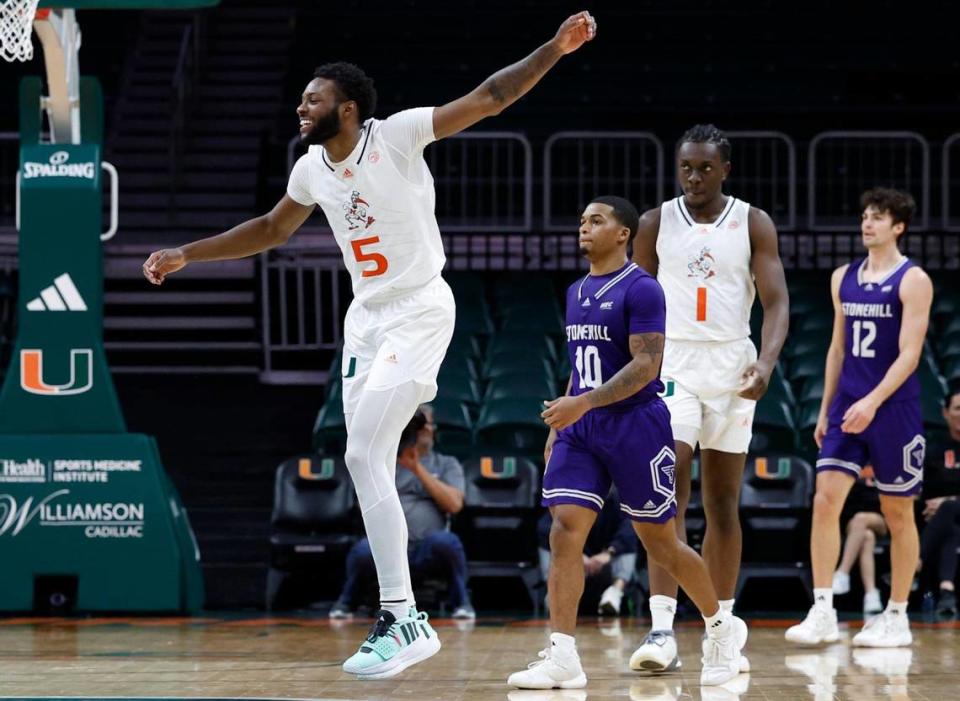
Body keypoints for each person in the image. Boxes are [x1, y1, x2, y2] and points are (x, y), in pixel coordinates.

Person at [140, 10, 596, 678]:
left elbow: (492, 96)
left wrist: (553, 49)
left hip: (418, 310)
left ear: (348, 108)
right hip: (367, 319)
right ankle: (402, 615)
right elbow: (271, 227)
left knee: (362, 449)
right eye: (302, 97)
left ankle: (402, 615)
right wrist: (187, 253)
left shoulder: (397, 134)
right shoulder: (310, 168)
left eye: (314, 97)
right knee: (364, 460)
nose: (301, 104)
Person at [507, 196, 748, 690]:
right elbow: (582, 366)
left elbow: (646, 367)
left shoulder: (643, 289)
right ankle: (563, 656)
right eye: (581, 219)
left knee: (660, 543)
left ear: (623, 234)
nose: (583, 227)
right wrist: (562, 422)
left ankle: (719, 629)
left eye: (595, 220)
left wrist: (584, 403)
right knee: (563, 531)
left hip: (636, 424)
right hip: (584, 427)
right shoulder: (576, 290)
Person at [629, 125, 789, 672]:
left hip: (732, 364)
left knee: (722, 504)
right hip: (673, 364)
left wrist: (765, 363)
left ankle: (720, 626)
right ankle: (659, 629)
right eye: (685, 168)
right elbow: (634, 301)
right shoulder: (654, 223)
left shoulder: (753, 222)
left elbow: (776, 302)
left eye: (704, 168)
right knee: (668, 492)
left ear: (725, 169)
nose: (694, 177)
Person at [785, 188, 933, 647]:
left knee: (897, 512)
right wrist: (828, 407)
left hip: (894, 409)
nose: (868, 223)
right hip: (848, 406)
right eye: (865, 216)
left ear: (899, 227)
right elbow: (836, 348)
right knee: (825, 499)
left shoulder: (914, 280)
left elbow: (910, 354)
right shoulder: (842, 277)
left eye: (878, 218)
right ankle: (824, 607)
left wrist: (873, 400)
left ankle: (897, 614)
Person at [330, 406, 475, 620]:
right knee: (362, 550)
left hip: (427, 546)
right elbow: (365, 505)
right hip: (388, 545)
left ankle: (462, 604)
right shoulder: (382, 462)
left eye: (426, 425)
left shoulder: (446, 463)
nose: (422, 430)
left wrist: (417, 468)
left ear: (433, 429)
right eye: (416, 425)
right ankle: (345, 603)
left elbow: (454, 505)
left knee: (448, 543)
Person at [537, 487, 639, 616]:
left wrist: (609, 552)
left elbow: (629, 530)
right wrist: (576, 553)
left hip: (608, 560)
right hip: (574, 558)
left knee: (629, 544)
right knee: (550, 544)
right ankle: (555, 593)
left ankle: (614, 593)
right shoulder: (569, 498)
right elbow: (545, 528)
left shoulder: (621, 499)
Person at [917, 388, 960, 615]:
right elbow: (920, 490)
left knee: (949, 507)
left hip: (948, 509)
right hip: (940, 519)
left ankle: (917, 561)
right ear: (945, 413)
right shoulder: (933, 449)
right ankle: (947, 591)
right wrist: (929, 505)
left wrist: (947, 501)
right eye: (957, 408)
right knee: (952, 529)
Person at [831, 468, 885, 614]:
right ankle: (871, 594)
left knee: (861, 519)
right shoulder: (851, 462)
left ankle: (842, 572)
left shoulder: (885, 460)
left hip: (881, 519)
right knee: (867, 537)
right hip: (852, 519)